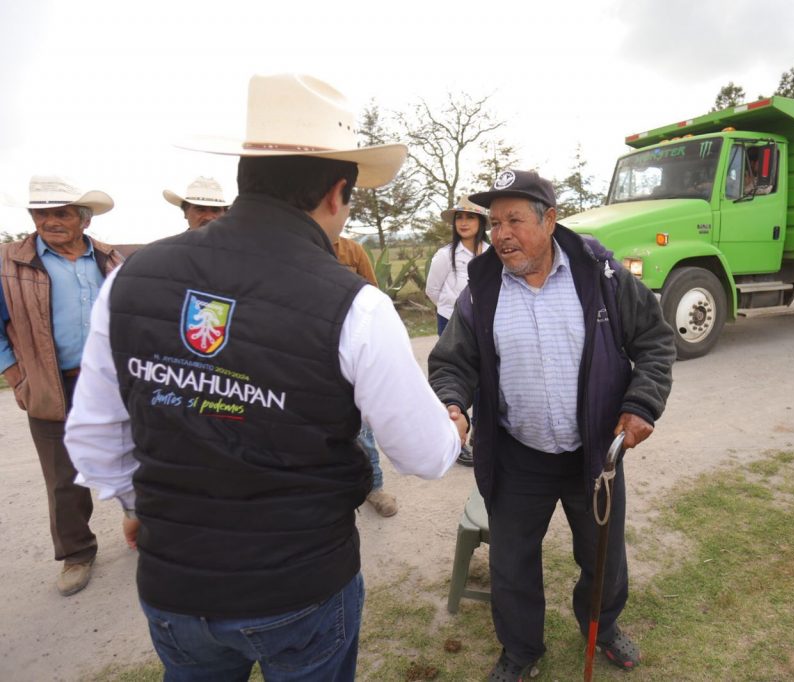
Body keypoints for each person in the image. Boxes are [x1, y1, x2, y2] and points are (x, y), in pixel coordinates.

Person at [65, 74, 461, 681]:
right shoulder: (355, 305)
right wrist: (454, 423)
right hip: (298, 589)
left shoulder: (133, 276)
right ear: (336, 193)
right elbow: (426, 454)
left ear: (244, 178)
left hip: (176, 585)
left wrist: (144, 507)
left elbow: (93, 433)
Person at [428, 169, 675, 679]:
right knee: (512, 565)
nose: (501, 234)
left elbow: (654, 340)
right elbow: (452, 362)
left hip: (594, 455)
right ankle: (521, 651)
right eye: (493, 222)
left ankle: (600, 628)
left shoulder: (600, 274)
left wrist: (642, 402)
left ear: (550, 219)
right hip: (519, 455)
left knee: (602, 557)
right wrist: (453, 405)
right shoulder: (481, 289)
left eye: (514, 220)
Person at [0, 175, 122, 597]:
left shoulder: (109, 260)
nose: (49, 221)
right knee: (62, 475)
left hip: (110, 381)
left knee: (135, 453)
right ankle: (76, 553)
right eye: (41, 213)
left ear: (83, 220)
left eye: (61, 213)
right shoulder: (9, 264)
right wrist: (17, 375)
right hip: (53, 385)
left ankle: (147, 526)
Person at [332, 234, 398, 517]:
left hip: (351, 343)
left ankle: (374, 486)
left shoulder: (352, 250)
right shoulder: (295, 246)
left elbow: (372, 293)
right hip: (310, 345)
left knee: (362, 425)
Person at [425, 195, 490, 466]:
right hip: (451, 323)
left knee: (484, 379)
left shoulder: (491, 252)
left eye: (470, 217)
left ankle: (479, 435)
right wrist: (453, 311)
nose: (464, 222)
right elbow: (432, 291)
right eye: (459, 218)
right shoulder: (444, 255)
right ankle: (457, 434)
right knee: (456, 376)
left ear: (481, 221)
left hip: (484, 324)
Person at [163, 176, 231, 230]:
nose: (208, 217)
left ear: (225, 214)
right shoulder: (171, 247)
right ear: (185, 212)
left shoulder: (238, 246)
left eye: (215, 211)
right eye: (201, 210)